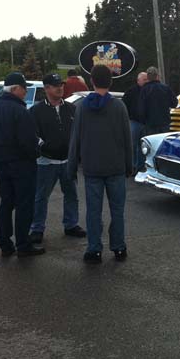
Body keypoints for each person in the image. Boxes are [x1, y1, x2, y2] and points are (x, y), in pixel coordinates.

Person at [68, 65, 132, 263]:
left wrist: (71, 166)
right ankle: (119, 247)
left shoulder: (82, 107)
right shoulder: (119, 107)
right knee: (117, 211)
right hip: (116, 167)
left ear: (92, 81)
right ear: (110, 82)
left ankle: (94, 249)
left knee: (93, 212)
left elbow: (76, 138)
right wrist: (129, 165)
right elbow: (127, 138)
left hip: (92, 167)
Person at [0, 72, 44, 258]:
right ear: (15, 89)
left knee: (6, 203)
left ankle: (5, 242)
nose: (25, 92)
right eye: (24, 88)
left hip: (1, 163)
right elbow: (28, 141)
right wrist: (36, 152)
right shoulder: (20, 111)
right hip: (22, 165)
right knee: (24, 204)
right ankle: (23, 244)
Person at [28, 73, 85, 244]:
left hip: (68, 161)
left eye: (61, 84)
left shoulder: (72, 108)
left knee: (72, 195)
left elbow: (78, 132)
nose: (60, 88)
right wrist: (43, 146)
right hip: (46, 162)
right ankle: (37, 229)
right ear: (46, 88)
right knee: (40, 197)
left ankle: (71, 225)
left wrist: (77, 152)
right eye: (55, 85)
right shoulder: (36, 111)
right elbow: (31, 134)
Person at [138, 66, 177, 135]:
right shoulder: (165, 88)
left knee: (152, 141)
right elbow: (174, 103)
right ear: (157, 76)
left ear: (148, 77)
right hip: (164, 123)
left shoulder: (144, 90)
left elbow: (141, 109)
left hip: (150, 124)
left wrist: (143, 121)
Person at [123, 71, 148, 172]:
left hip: (146, 122)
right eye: (144, 80)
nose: (146, 81)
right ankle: (132, 166)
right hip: (134, 122)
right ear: (138, 81)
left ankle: (140, 167)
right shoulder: (131, 91)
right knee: (132, 145)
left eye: (147, 79)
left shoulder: (149, 91)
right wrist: (129, 116)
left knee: (143, 146)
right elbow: (124, 104)